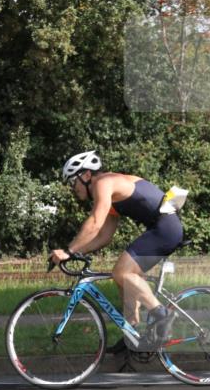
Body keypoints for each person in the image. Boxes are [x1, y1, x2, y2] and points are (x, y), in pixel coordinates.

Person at [49, 150, 182, 352]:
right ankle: (133, 337)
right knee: (123, 280)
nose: (72, 188)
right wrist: (78, 252)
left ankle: (162, 313)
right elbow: (104, 237)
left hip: (166, 228)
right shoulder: (110, 192)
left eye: (72, 181)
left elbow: (95, 222)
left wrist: (69, 250)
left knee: (121, 272)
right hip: (162, 228)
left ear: (85, 175)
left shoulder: (104, 182)